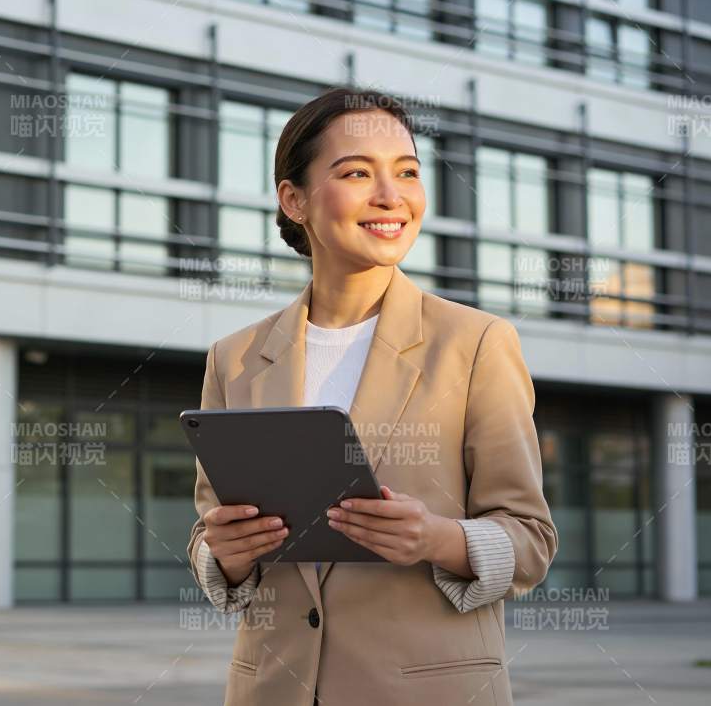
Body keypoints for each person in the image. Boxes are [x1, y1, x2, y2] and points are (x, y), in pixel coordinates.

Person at [188, 88, 557, 705]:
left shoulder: (477, 344)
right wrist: (222, 555)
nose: (391, 196)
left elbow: (531, 539)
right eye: (357, 172)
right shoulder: (237, 357)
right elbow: (210, 531)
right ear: (294, 199)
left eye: (407, 173)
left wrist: (438, 538)